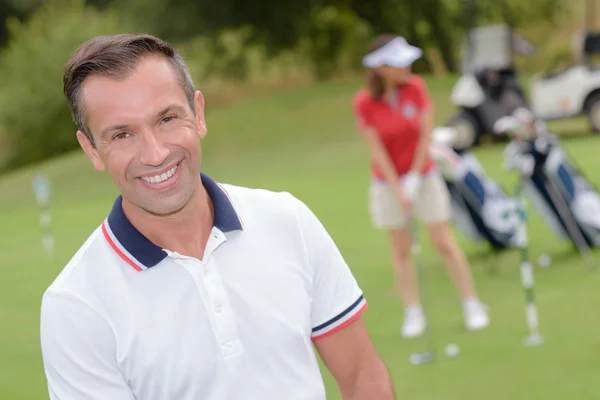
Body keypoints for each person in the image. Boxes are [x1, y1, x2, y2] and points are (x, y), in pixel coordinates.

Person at [39, 33, 395, 400]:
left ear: (199, 114)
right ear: (92, 150)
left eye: (166, 118)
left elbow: (361, 374)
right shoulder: (74, 306)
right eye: (122, 134)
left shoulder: (288, 221)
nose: (155, 153)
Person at [352, 34, 490, 338]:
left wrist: (414, 178)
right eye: (400, 62)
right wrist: (399, 189)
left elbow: (425, 135)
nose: (407, 66)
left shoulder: (415, 87)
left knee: (442, 240)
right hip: (387, 183)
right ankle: (412, 312)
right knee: (401, 248)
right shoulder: (364, 102)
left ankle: (472, 304)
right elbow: (376, 150)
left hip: (424, 175)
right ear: (382, 67)